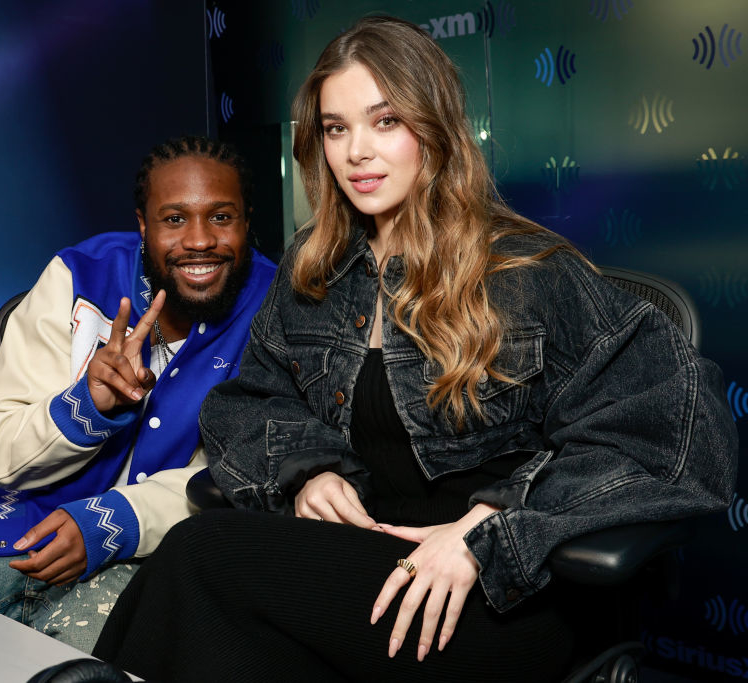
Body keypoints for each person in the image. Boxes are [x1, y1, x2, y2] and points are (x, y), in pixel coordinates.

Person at [92, 17, 738, 682]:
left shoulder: (526, 270)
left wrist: (493, 524)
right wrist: (307, 470)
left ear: (434, 127)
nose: (356, 152)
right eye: (336, 128)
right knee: (222, 641)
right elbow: (245, 403)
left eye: (385, 121)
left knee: (202, 554)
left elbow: (684, 430)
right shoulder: (315, 268)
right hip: (368, 563)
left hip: (493, 592)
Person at [0, 135, 277, 653]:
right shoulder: (79, 275)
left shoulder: (278, 309)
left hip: (155, 551)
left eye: (222, 217)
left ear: (247, 221)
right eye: (173, 219)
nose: (200, 240)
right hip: (25, 519)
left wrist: (112, 522)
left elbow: (247, 477)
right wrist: (88, 407)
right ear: (143, 225)